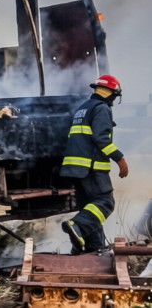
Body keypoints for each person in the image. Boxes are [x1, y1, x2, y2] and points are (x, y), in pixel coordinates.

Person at [60, 74, 129, 254]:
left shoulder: (82, 109)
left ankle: (92, 248)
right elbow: (101, 139)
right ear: (112, 92)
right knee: (105, 202)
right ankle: (77, 225)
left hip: (75, 168)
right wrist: (120, 159)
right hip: (92, 167)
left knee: (90, 207)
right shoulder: (101, 108)